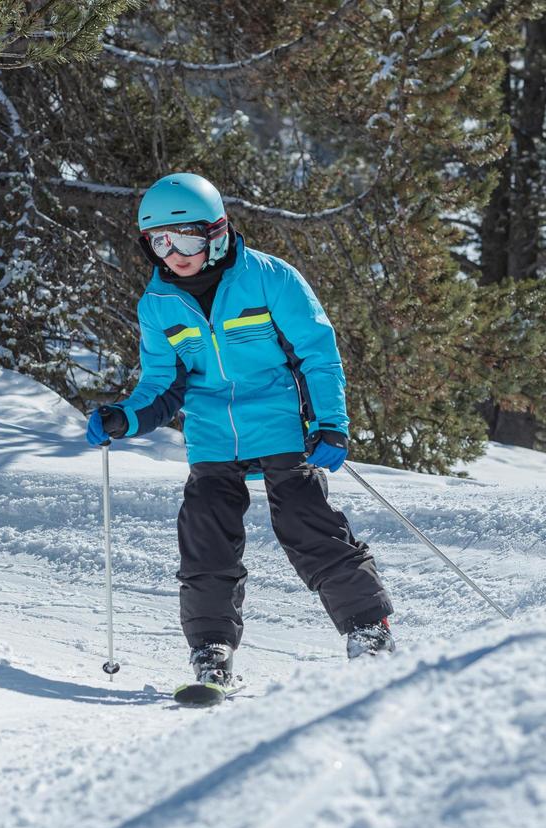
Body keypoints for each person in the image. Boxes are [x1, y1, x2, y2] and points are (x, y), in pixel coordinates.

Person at [86, 172, 394, 688]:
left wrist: (331, 425)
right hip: (211, 434)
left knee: (305, 519)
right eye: (158, 241)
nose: (173, 252)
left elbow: (316, 355)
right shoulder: (157, 304)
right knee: (205, 531)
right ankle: (211, 649)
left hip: (277, 423)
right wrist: (125, 416)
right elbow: (164, 384)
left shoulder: (271, 279)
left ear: (217, 231)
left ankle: (369, 630)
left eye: (184, 236)